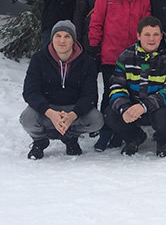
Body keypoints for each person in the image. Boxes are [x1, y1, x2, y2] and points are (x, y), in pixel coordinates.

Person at [88, 0, 151, 151]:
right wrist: (94, 46)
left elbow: (147, 29)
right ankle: (105, 132)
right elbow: (96, 23)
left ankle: (121, 131)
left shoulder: (143, 0)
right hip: (111, 56)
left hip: (134, 58)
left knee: (129, 95)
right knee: (110, 94)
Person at [20, 20, 103, 159]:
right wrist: (50, 113)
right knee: (27, 118)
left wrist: (72, 115)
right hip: (47, 109)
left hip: (73, 109)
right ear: (52, 38)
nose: (62, 40)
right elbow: (30, 91)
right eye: (58, 36)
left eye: (67, 36)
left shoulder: (87, 61)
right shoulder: (39, 58)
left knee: (96, 120)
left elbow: (90, 95)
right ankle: (40, 140)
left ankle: (70, 137)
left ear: (74, 40)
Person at [104, 16, 166, 157]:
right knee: (111, 114)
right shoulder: (126, 56)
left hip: (160, 107)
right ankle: (134, 137)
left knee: (163, 117)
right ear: (138, 36)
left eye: (155, 34)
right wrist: (124, 108)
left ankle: (163, 140)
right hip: (134, 105)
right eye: (147, 35)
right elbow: (117, 86)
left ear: (161, 36)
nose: (151, 39)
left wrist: (145, 106)